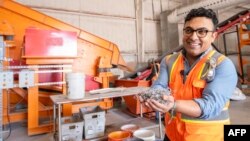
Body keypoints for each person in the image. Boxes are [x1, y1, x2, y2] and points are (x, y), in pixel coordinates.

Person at [141, 7, 237, 141]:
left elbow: (210, 106)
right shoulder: (169, 61)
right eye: (188, 30)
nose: (193, 37)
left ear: (213, 36)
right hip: (172, 136)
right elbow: (159, 86)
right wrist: (153, 96)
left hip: (207, 138)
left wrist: (173, 104)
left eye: (202, 32)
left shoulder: (222, 64)